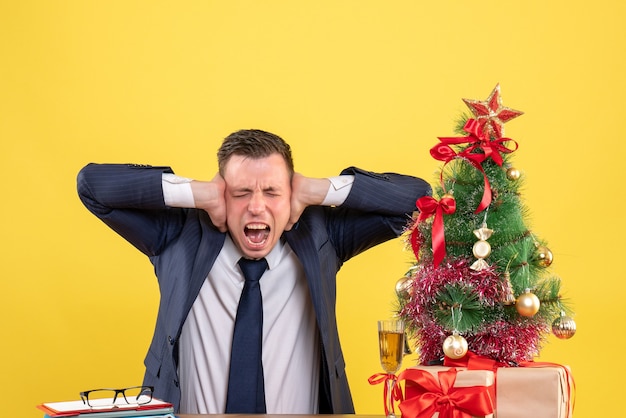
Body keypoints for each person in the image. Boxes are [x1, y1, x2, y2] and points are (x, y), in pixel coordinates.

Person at [77, 129, 431, 414]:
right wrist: (196, 193)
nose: (257, 207)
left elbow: (419, 200)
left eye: (272, 192)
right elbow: (92, 187)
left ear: (292, 195)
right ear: (220, 195)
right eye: (241, 193)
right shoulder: (180, 236)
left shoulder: (320, 236)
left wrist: (318, 189)